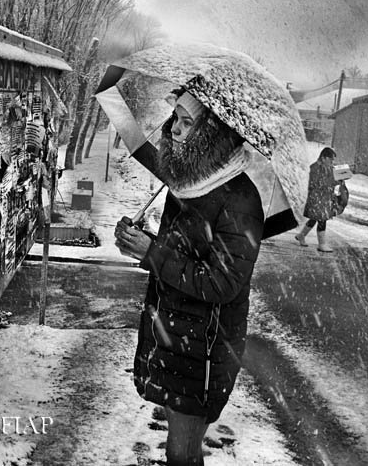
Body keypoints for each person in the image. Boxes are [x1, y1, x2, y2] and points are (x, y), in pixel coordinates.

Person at [115, 90, 264, 465]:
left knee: (182, 453)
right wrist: (141, 242)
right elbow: (182, 251)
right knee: (179, 448)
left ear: (211, 133)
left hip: (205, 350)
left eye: (187, 122)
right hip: (175, 337)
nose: (176, 131)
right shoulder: (189, 181)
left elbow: (221, 283)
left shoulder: (240, 199)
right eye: (175, 119)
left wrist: (153, 252)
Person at [295, 147, 339, 252]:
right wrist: (328, 185)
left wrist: (339, 179)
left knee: (315, 219)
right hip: (316, 199)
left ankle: (301, 235)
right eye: (331, 160)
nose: (332, 162)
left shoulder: (328, 169)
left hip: (323, 199)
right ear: (323, 158)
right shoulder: (314, 168)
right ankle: (322, 244)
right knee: (322, 219)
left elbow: (332, 182)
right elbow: (314, 184)